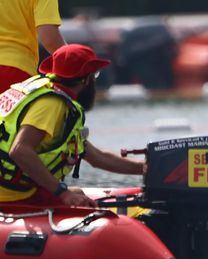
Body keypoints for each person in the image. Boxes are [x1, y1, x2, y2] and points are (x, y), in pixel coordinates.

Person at [0, 44, 145, 208]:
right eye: (94, 75)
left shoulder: (43, 91)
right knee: (82, 204)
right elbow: (20, 150)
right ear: (86, 79)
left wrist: (146, 168)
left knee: (77, 193)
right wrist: (62, 192)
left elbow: (97, 158)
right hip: (11, 195)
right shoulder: (52, 105)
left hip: (12, 188)